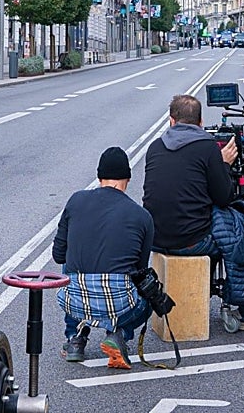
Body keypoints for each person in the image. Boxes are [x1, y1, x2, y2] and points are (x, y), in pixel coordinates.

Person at [142, 94, 244, 330]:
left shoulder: (155, 147)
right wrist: (224, 164)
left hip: (156, 238)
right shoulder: (207, 148)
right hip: (191, 241)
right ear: (200, 122)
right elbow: (224, 197)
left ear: (171, 121)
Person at [53, 147, 154, 369]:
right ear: (128, 177)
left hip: (75, 301)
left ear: (99, 177)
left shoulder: (76, 200)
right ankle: (118, 334)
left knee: (71, 268)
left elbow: (58, 254)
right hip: (120, 302)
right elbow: (139, 270)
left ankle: (75, 340)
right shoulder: (141, 216)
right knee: (148, 297)